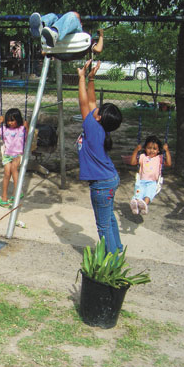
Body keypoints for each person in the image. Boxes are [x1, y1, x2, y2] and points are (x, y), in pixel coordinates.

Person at [77, 59, 123, 255]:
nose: (96, 108)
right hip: (110, 180)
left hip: (102, 185)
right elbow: (93, 103)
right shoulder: (100, 127)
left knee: (102, 226)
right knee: (109, 218)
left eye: (99, 111)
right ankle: (117, 249)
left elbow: (84, 102)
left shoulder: (93, 127)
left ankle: (111, 263)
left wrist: (81, 79)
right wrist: (91, 78)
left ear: (99, 118)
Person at [0, 108, 28, 207]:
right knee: (7, 174)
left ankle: (16, 193)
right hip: (7, 155)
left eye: (12, 120)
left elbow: (29, 137)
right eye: (8, 121)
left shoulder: (22, 129)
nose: (10, 123)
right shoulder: (5, 129)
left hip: (18, 154)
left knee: (14, 168)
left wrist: (27, 126)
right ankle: (4, 198)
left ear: (18, 119)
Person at [29, 12, 104, 59]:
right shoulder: (84, 37)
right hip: (61, 50)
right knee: (53, 16)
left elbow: (98, 49)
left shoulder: (83, 38)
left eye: (77, 20)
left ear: (80, 25)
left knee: (71, 15)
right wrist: (101, 35)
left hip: (72, 51)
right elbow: (44, 52)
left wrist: (101, 36)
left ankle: (54, 32)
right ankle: (41, 26)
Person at [128, 135, 172, 215]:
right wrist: (136, 150)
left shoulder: (159, 158)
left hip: (152, 182)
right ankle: (135, 205)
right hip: (141, 182)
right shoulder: (142, 157)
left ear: (158, 150)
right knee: (138, 194)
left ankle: (144, 206)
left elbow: (169, 164)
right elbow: (132, 162)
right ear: (145, 148)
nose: (151, 151)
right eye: (149, 148)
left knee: (148, 194)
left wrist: (167, 151)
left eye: (154, 149)